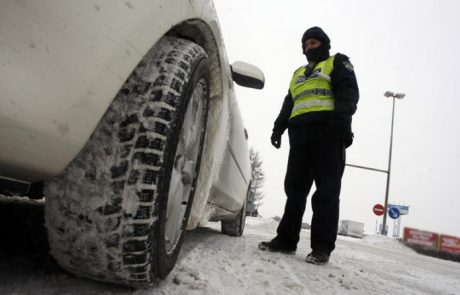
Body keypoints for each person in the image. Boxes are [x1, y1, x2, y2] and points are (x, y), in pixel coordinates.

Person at [258, 26, 359, 265]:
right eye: (305, 44)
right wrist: (278, 128)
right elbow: (289, 102)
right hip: (300, 138)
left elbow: (348, 93)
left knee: (326, 193)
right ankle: (286, 240)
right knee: (294, 190)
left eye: (312, 43)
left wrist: (340, 122)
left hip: (328, 135)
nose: (308, 48)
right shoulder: (298, 73)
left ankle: (322, 248)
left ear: (324, 44)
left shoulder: (337, 62)